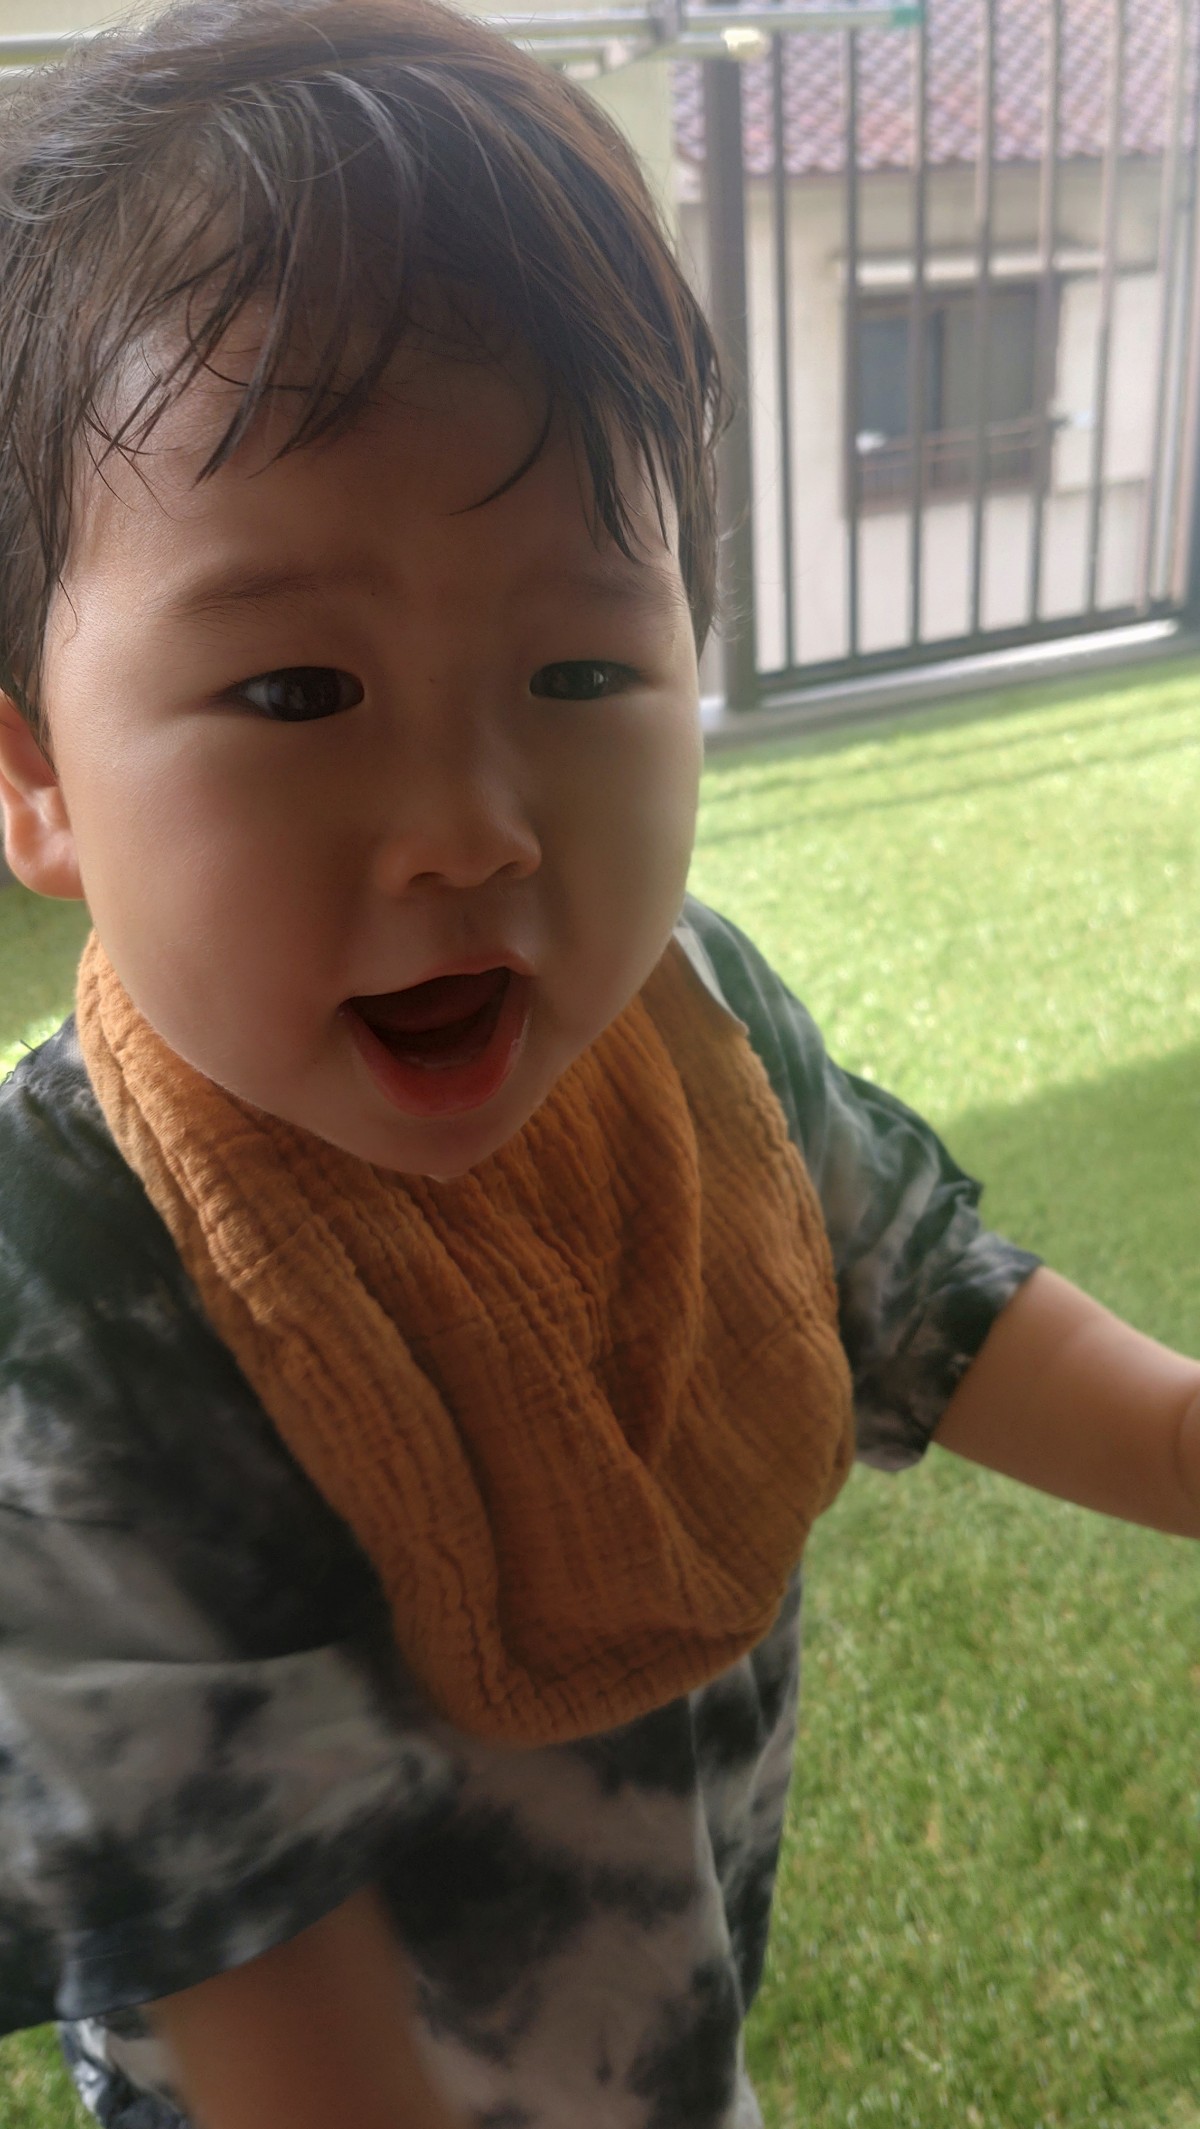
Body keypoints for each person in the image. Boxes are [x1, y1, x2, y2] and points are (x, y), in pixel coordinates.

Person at [0, 3, 1194, 2124]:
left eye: (576, 667)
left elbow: (924, 1297)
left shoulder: (684, 1011)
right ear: (37, 779)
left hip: (662, 2022)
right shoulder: (64, 1280)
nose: (472, 831)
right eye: (298, 691)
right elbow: (263, 1983)